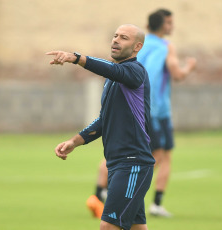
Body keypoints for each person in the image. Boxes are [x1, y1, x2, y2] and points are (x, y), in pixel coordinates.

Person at [47, 24, 155, 230]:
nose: (115, 40)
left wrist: (76, 58)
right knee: (136, 227)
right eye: (115, 36)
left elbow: (111, 69)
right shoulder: (113, 79)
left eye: (123, 37)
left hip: (132, 163)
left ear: (137, 47)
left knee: (108, 226)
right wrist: (74, 141)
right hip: (117, 164)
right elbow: (104, 119)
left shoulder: (135, 72)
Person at [137, 9, 197, 217]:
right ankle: (139, 196)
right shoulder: (166, 47)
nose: (172, 26)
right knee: (159, 155)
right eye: (170, 23)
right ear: (163, 25)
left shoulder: (139, 45)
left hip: (140, 108)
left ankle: (154, 203)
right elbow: (177, 74)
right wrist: (189, 67)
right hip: (156, 110)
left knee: (159, 155)